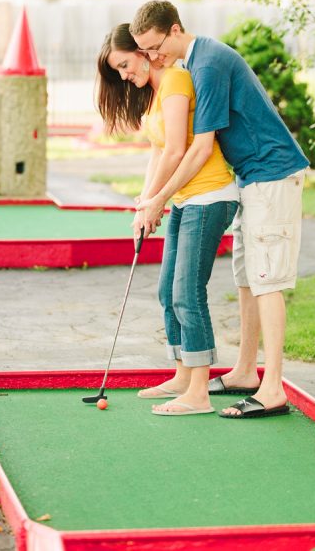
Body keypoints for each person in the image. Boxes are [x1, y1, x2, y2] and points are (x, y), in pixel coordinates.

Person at [130, 1, 309, 420]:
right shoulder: (196, 60)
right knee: (248, 278)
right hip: (252, 176)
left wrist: (158, 199)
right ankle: (246, 372)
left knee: (267, 280)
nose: (153, 58)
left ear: (174, 30)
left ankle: (272, 388)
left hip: (273, 172)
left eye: (155, 47)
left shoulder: (206, 64)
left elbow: (199, 149)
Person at [96, 24, 238, 416]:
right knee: (166, 292)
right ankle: (181, 373)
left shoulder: (175, 79)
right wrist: (145, 203)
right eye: (119, 71)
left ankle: (198, 391)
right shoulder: (157, 94)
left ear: (143, 51)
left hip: (209, 196)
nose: (125, 75)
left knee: (187, 293)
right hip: (184, 200)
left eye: (126, 64)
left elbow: (178, 149)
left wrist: (157, 200)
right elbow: (157, 154)